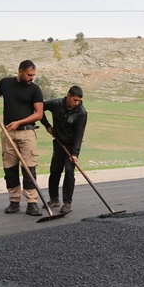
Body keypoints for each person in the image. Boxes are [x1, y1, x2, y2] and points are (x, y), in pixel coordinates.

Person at [0, 60, 44, 216]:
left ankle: (32, 203)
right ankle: (14, 202)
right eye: (29, 75)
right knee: (10, 169)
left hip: (27, 133)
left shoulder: (35, 89)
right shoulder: (5, 83)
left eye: (33, 75)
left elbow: (39, 114)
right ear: (20, 71)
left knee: (29, 169)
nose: (32, 78)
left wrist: (19, 123)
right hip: (8, 133)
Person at [40, 86, 88, 215]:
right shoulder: (56, 104)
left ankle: (67, 203)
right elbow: (39, 108)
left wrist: (75, 154)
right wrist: (47, 125)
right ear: (68, 95)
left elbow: (79, 134)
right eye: (74, 100)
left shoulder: (81, 112)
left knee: (69, 171)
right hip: (59, 143)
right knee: (55, 171)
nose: (76, 103)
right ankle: (54, 199)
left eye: (79, 101)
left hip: (72, 146)